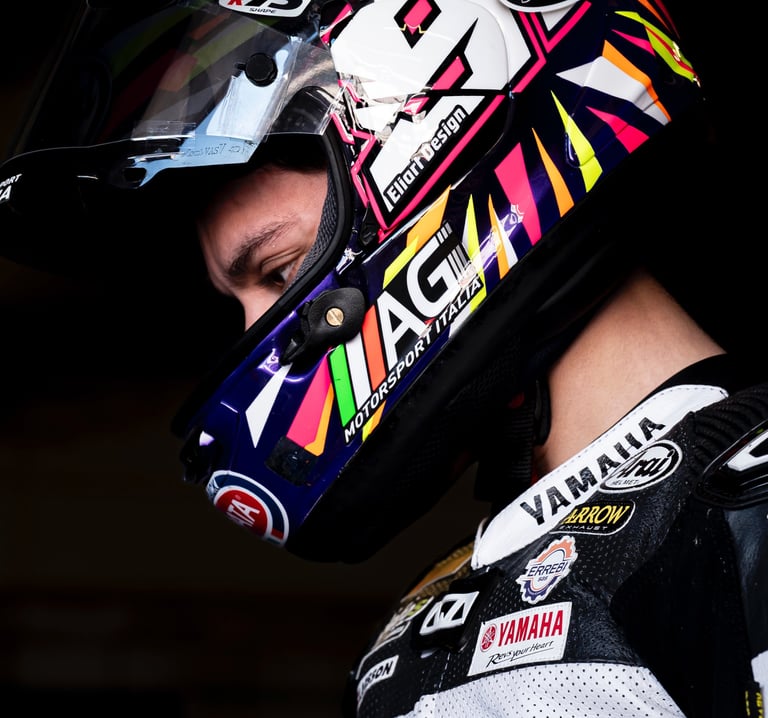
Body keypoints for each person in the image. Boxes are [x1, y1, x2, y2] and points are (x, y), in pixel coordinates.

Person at [0, 0, 765, 716]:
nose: (257, 334)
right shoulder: (436, 618)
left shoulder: (742, 517)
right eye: (239, 305)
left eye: (277, 272)